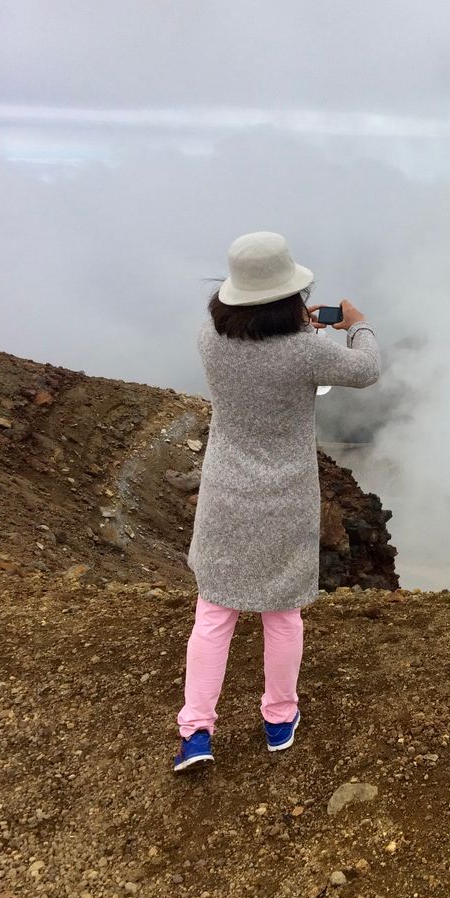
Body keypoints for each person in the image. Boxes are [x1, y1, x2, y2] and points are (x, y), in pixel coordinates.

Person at [174, 231, 381, 772]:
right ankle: (277, 720)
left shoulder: (208, 338)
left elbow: (256, 344)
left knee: (213, 615)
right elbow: (365, 369)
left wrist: (294, 327)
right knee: (282, 615)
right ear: (290, 295)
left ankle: (196, 733)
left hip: (224, 494)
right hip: (285, 496)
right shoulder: (305, 350)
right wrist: (355, 324)